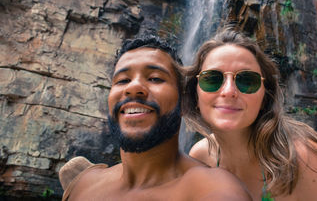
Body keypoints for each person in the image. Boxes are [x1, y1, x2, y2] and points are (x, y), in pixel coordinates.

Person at [59, 34, 251, 201]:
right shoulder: (83, 185)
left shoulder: (215, 189)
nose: (132, 87)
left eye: (155, 78)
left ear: (184, 101)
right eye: (122, 80)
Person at [183, 28, 317, 201]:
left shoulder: (307, 161)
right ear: (195, 94)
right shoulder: (200, 157)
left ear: (265, 97)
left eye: (247, 80)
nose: (228, 91)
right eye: (212, 79)